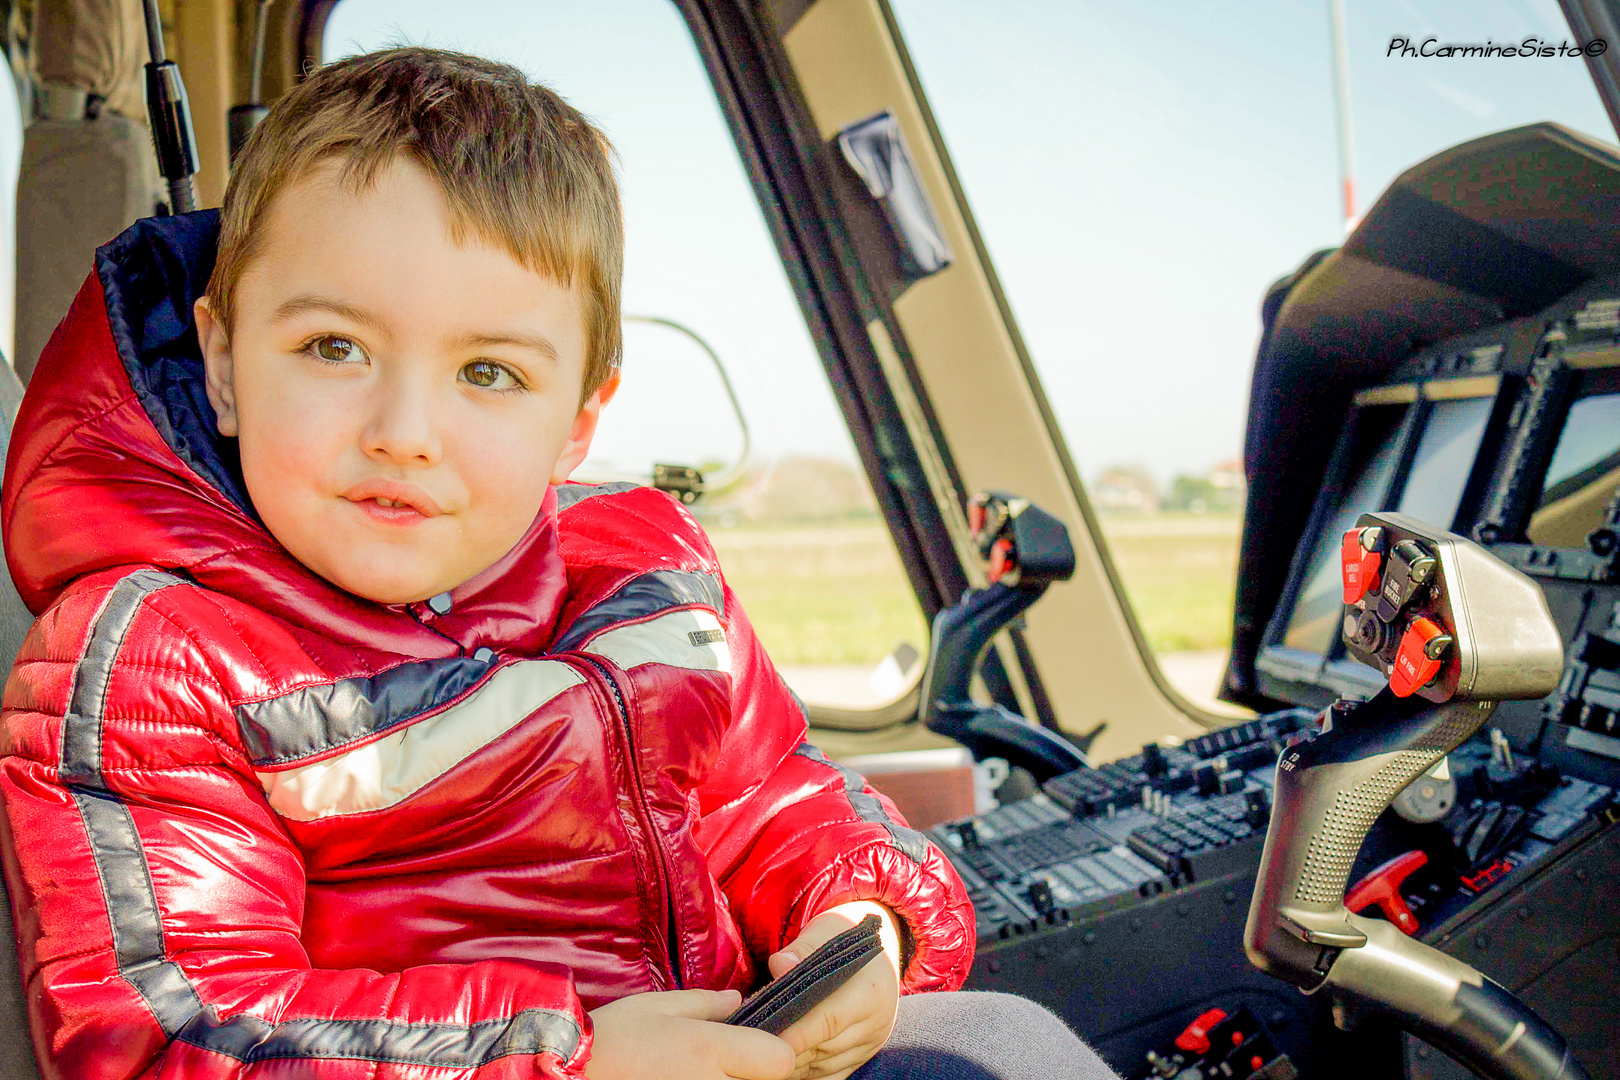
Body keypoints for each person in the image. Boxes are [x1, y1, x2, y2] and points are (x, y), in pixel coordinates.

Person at [0, 47, 1118, 1080]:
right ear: (228, 361)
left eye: (488, 374)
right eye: (334, 348)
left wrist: (871, 919)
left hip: (718, 1046)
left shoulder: (644, 575)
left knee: (1004, 1043)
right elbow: (171, 1036)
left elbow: (775, 800)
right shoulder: (160, 667)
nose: (405, 429)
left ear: (581, 418)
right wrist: (560, 1060)